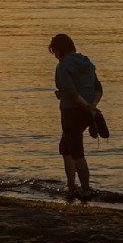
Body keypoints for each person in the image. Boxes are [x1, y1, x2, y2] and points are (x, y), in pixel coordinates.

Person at [48, 34, 103, 200]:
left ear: (58, 49)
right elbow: (98, 88)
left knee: (76, 151)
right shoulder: (87, 62)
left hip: (71, 112)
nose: (55, 56)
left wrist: (84, 105)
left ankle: (85, 189)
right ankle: (71, 185)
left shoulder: (63, 65)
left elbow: (71, 92)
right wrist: (92, 105)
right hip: (87, 112)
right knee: (66, 147)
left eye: (54, 52)